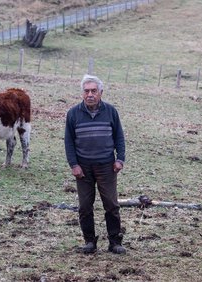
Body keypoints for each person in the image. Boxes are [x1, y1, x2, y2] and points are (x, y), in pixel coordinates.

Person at [64, 74, 126, 254]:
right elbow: (69, 142)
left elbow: (119, 138)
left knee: (111, 205)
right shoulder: (73, 114)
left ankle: (115, 242)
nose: (90, 94)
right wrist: (74, 165)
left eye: (93, 91)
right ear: (82, 93)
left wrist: (119, 159)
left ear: (101, 92)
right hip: (83, 168)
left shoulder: (111, 111)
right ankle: (90, 242)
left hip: (107, 166)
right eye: (86, 91)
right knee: (84, 206)